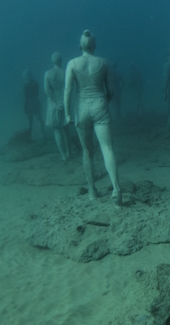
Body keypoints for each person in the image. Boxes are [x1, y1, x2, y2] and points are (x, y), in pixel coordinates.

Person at [64, 30, 122, 205]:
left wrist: (67, 113)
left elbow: (67, 91)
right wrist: (104, 102)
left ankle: (92, 191)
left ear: (80, 46)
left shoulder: (72, 63)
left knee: (87, 151)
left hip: (81, 108)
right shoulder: (104, 63)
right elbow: (111, 90)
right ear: (94, 46)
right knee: (107, 148)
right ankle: (116, 189)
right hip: (99, 105)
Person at [44, 52, 70, 161]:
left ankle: (63, 155)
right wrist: (62, 102)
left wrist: (56, 102)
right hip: (65, 102)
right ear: (61, 60)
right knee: (66, 128)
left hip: (53, 105)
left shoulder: (48, 73)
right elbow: (69, 88)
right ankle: (69, 152)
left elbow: (47, 91)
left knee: (57, 130)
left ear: (52, 60)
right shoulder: (66, 72)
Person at [22, 69, 44, 140]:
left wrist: (25, 106)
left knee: (30, 121)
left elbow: (25, 96)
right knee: (38, 119)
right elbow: (37, 93)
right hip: (35, 102)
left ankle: (29, 137)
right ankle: (42, 134)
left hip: (29, 103)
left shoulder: (26, 84)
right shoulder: (35, 83)